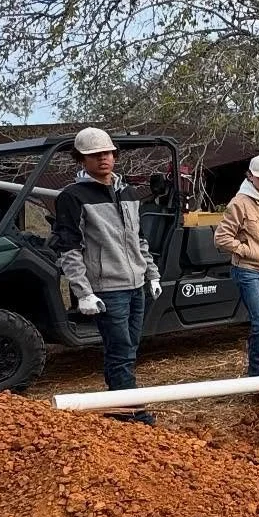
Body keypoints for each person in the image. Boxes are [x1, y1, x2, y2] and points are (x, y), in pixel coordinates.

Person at [54, 128, 162, 402]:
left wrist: (152, 274)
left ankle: (122, 405)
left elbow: (138, 238)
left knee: (130, 348)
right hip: (108, 288)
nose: (104, 159)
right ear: (82, 160)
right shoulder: (73, 196)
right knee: (121, 350)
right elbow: (69, 247)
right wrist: (83, 292)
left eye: (108, 153)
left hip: (136, 284)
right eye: (95, 155)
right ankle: (128, 409)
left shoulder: (128, 192)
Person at [214, 154, 259, 377]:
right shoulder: (240, 203)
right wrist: (248, 251)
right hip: (247, 271)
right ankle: (257, 376)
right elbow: (221, 238)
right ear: (250, 176)